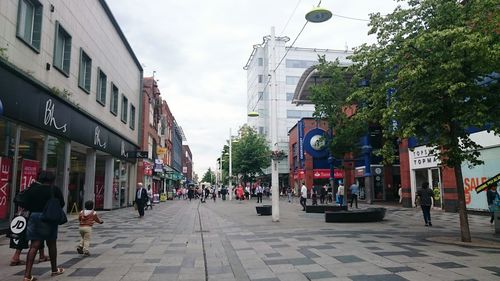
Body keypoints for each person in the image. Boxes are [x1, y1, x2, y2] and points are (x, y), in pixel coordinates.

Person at [22, 170, 65, 281]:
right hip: (49, 218)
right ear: (52, 179)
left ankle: (27, 275)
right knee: (51, 243)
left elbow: (25, 203)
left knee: (34, 245)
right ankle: (54, 270)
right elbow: (62, 203)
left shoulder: (32, 189)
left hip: (34, 217)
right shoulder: (54, 189)